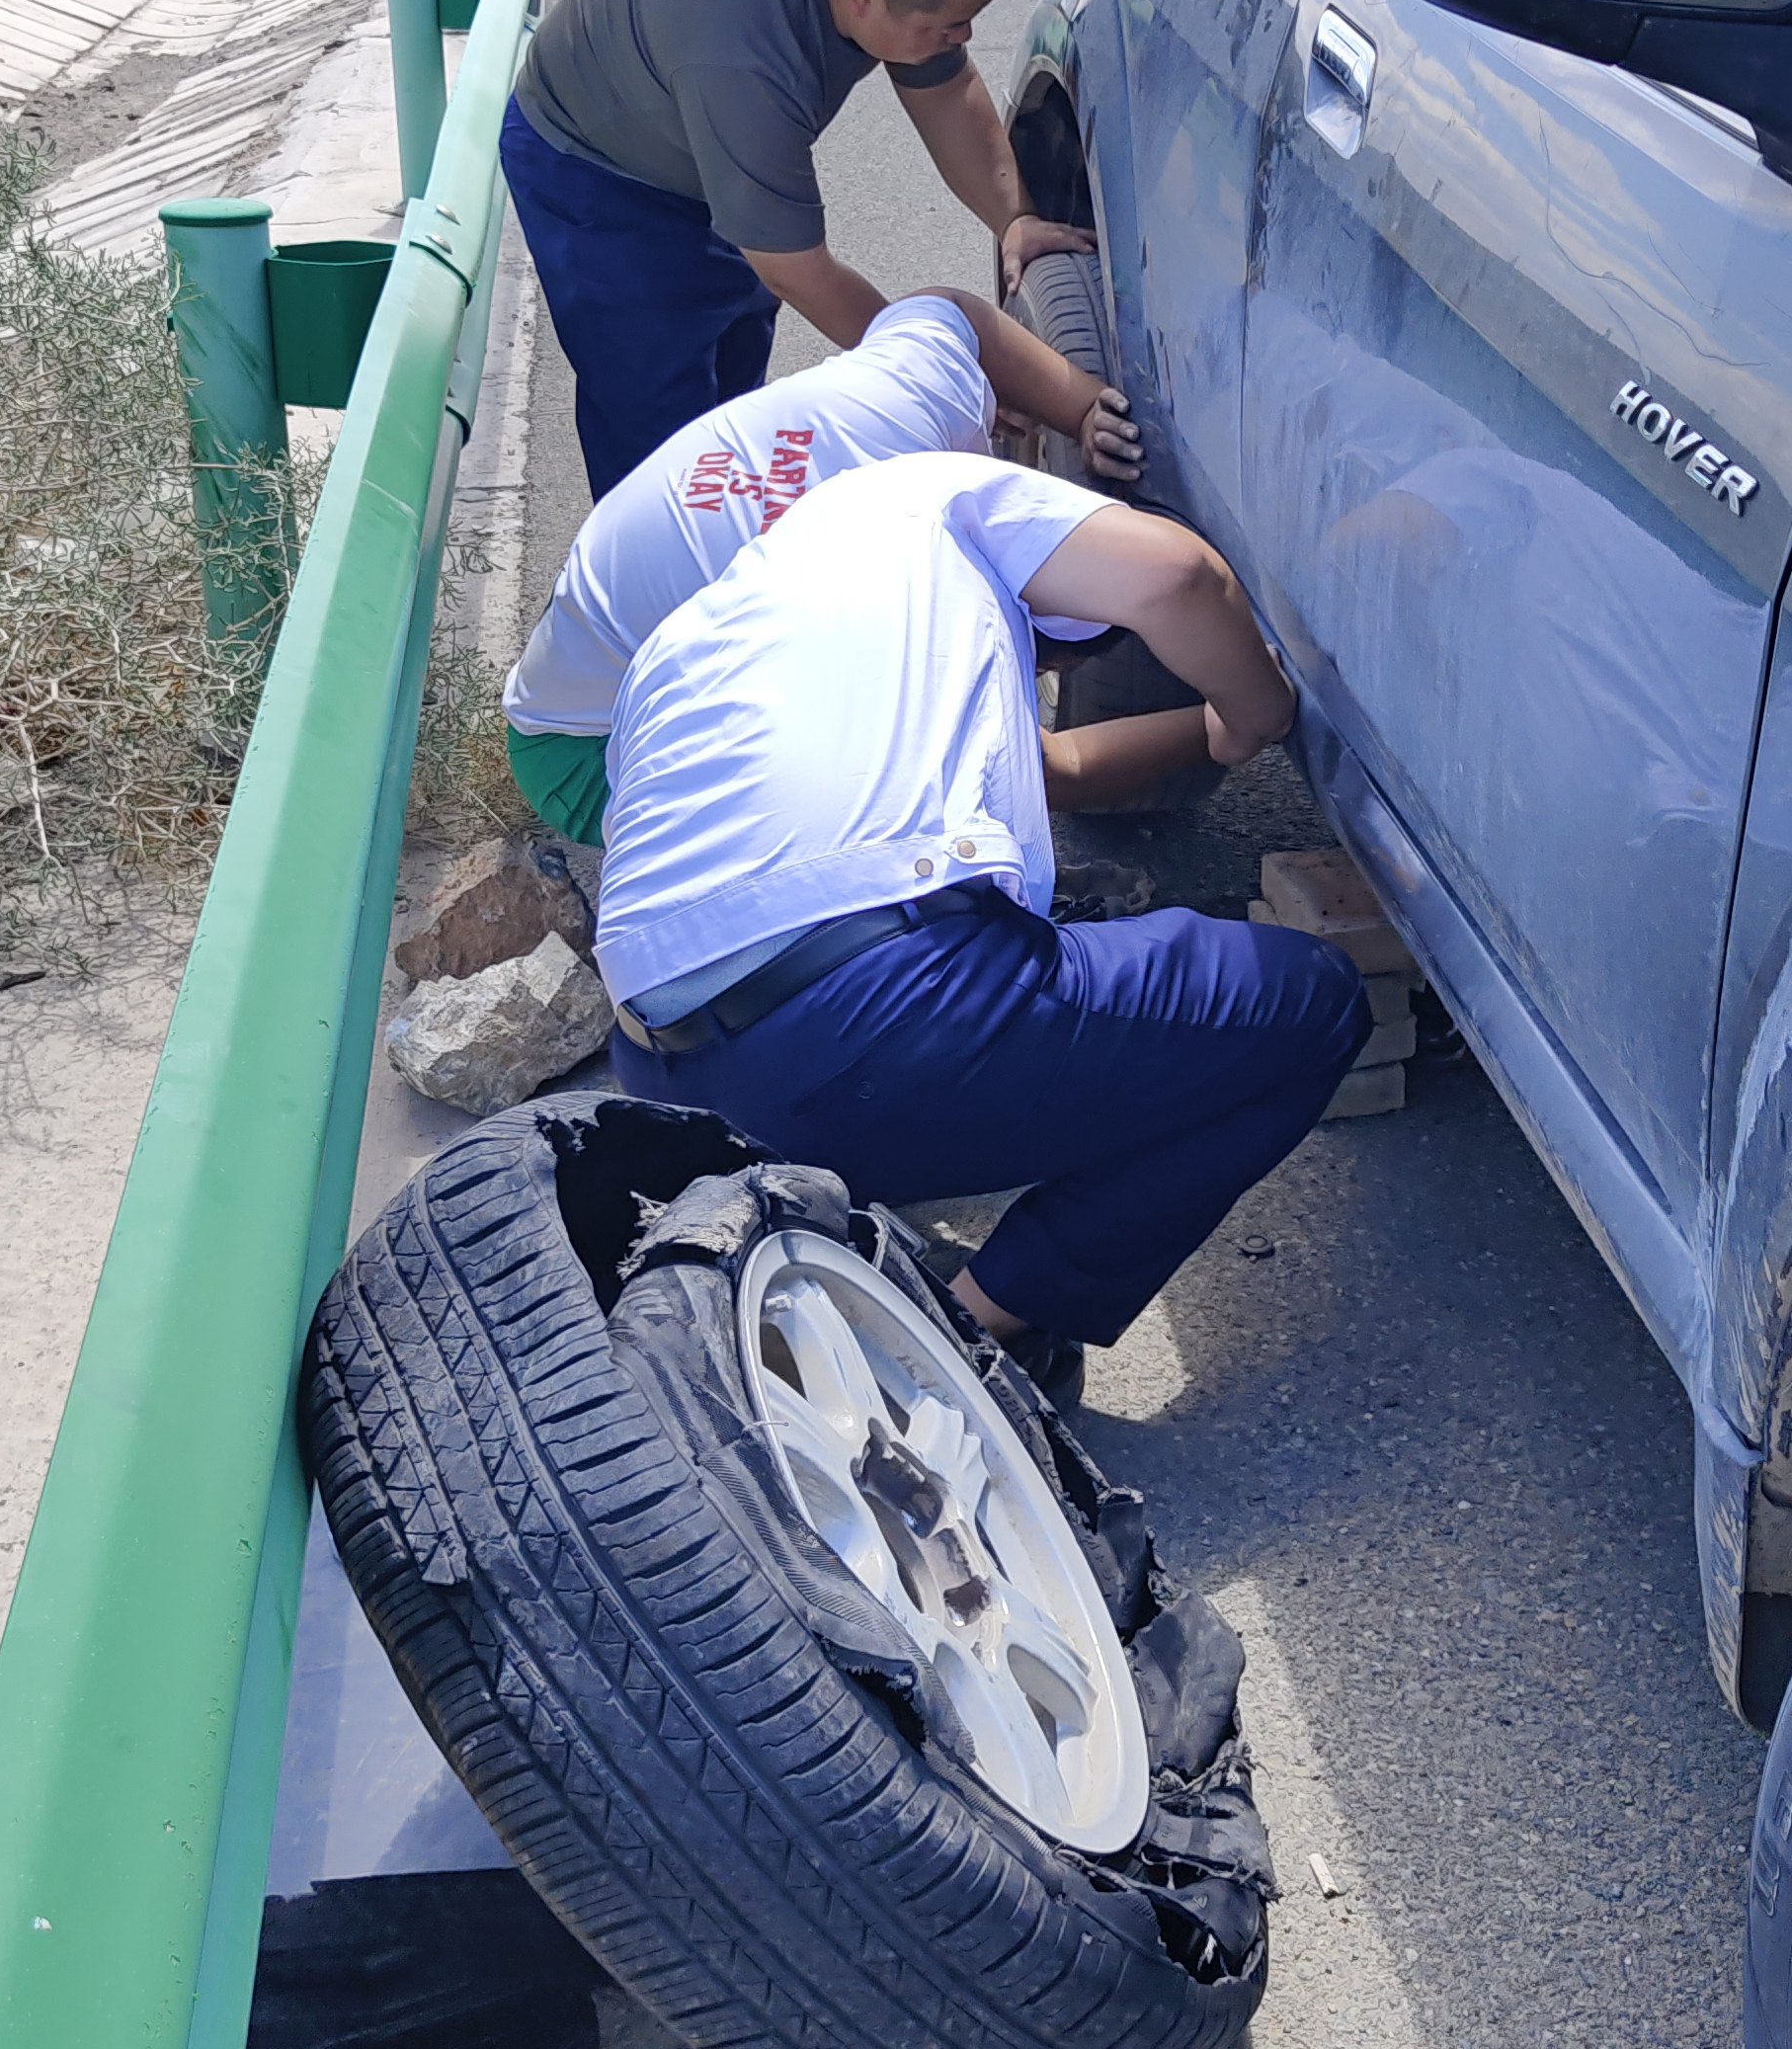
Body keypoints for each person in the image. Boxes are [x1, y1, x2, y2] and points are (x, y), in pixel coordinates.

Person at [588, 452, 1371, 1399]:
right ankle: (973, 1331)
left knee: (930, 1045)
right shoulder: (940, 498)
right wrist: (1260, 711)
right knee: (1303, 1006)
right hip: (874, 1022)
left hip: (666, 1088)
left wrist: (1205, 735)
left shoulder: (737, 622)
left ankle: (838, 1227)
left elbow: (1054, 767)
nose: (1045, 666)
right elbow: (1178, 575)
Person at [503, 0, 1097, 496]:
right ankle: (664, 590)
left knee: (734, 387)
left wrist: (1013, 217)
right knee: (663, 439)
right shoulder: (740, 46)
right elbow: (795, 270)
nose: (962, 41)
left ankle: (738, 541)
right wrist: (943, 372)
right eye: (944, 27)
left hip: (700, 134)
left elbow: (948, 90)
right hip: (596, 169)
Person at [499, 286, 1141, 845]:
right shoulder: (892, 605)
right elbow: (1039, 767)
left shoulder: (918, 404)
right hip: (586, 752)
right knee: (899, 807)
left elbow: (953, 313)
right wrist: (1226, 729)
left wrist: (1082, 405)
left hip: (590, 659)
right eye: (1040, 669)